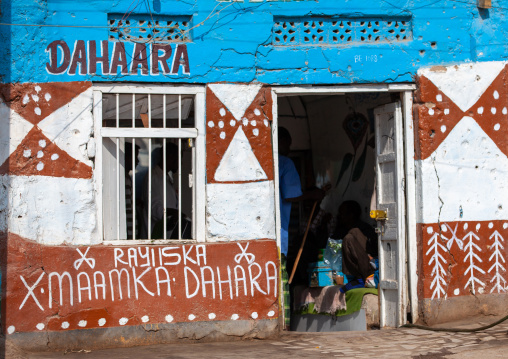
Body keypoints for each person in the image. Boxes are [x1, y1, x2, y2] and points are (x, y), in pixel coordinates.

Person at [278, 127, 326, 329]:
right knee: (282, 281)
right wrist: (312, 196)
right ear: (280, 141)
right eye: (287, 143)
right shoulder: (285, 163)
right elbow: (290, 195)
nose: (289, 148)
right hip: (278, 234)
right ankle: (285, 324)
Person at [333, 200, 378, 292]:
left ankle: (364, 278)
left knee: (349, 238)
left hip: (370, 267)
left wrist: (371, 258)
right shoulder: (342, 229)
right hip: (366, 264)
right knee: (353, 232)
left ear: (351, 215)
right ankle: (358, 277)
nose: (340, 217)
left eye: (343, 214)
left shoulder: (364, 228)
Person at [141, 143, 180, 239]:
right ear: (171, 157)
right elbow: (154, 208)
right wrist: (174, 213)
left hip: (165, 235)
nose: (180, 162)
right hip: (154, 237)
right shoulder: (154, 177)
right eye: (179, 158)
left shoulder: (166, 177)